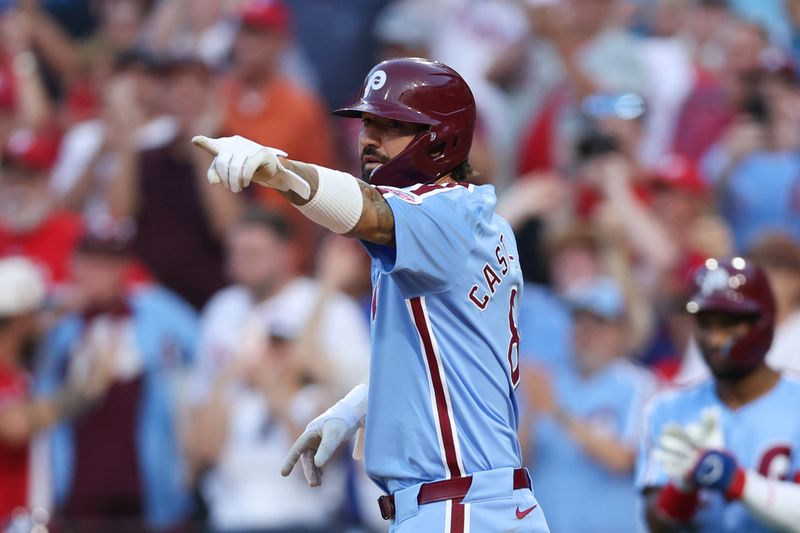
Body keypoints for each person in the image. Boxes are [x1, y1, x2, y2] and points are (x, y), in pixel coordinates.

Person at [192, 57, 550, 532]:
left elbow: (366, 212)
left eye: (393, 126)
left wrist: (279, 171)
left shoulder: (439, 214)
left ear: (442, 137)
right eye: (368, 123)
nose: (370, 139)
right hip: (484, 502)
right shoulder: (476, 219)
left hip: (459, 507)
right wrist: (368, 401)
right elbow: (459, 361)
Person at [34, 227, 199, 531]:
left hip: (148, 489)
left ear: (126, 268)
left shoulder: (156, 311)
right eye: (93, 262)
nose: (102, 273)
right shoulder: (54, 319)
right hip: (74, 489)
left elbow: (205, 352)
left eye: (111, 264)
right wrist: (53, 313)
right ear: (74, 264)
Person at [636, 257, 800, 532]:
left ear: (762, 322)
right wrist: (683, 488)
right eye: (706, 324)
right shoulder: (668, 407)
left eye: (729, 323)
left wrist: (738, 482)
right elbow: (656, 524)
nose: (715, 339)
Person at [521, 277, 656, 532]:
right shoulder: (549, 379)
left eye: (598, 323)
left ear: (620, 332)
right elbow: (522, 460)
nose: (587, 333)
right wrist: (529, 408)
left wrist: (556, 411)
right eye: (580, 321)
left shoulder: (638, 384)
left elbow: (623, 459)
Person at [0, 256, 115, 528]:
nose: (41, 322)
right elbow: (14, 425)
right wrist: (82, 393)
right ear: (20, 319)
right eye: (35, 313)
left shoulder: (19, 373)